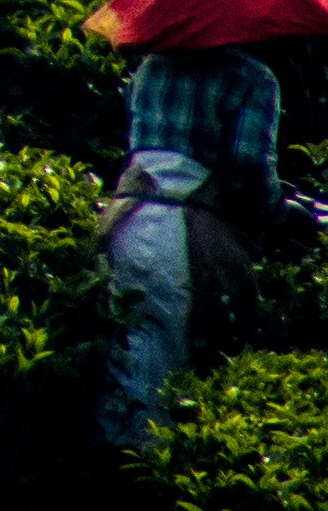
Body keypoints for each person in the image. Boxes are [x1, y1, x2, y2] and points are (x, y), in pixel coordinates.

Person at [99, 35, 288, 452]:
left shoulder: (151, 67)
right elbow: (248, 172)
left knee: (126, 351)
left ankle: (111, 468)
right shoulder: (252, 78)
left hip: (126, 220)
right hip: (188, 234)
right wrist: (281, 214)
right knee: (179, 369)